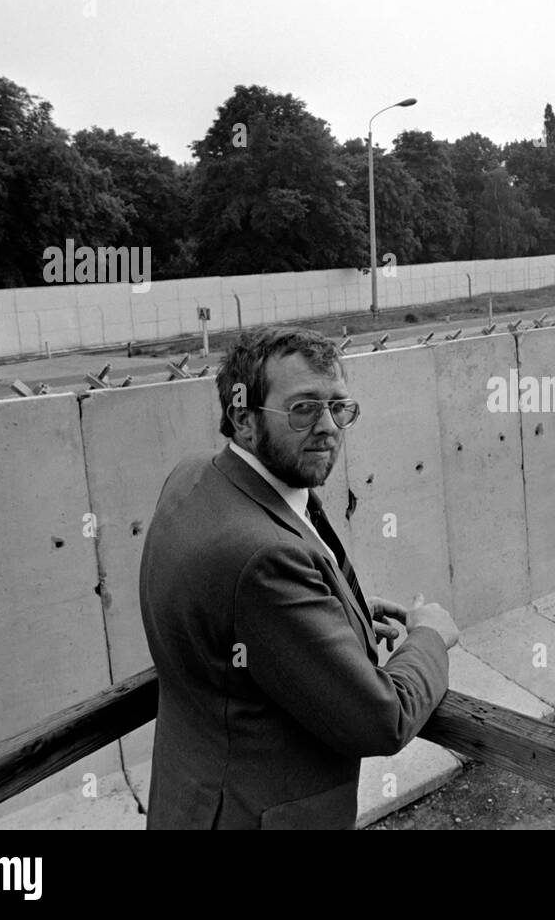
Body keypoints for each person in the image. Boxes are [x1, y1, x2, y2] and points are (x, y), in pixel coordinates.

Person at [139, 325, 459, 829]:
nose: (329, 426)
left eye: (340, 407)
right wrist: (429, 637)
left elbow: (236, 618)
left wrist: (339, 618)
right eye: (303, 408)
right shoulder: (264, 560)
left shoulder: (194, 473)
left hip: (193, 796)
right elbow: (382, 720)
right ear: (243, 419)